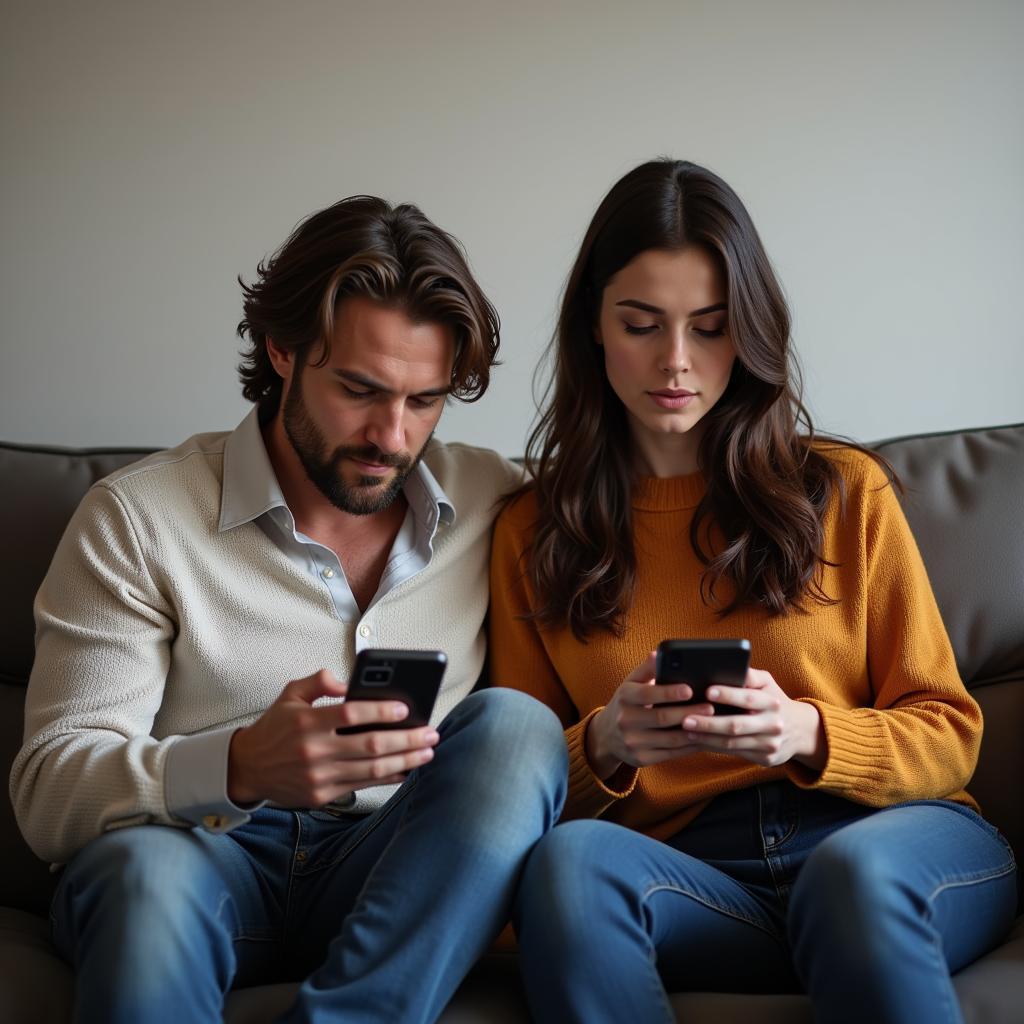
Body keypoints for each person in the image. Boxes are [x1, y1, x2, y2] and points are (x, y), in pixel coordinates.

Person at [10, 195, 567, 1024]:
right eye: (359, 389)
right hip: (198, 859)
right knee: (144, 875)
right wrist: (236, 766)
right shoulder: (138, 518)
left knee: (517, 729)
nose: (392, 435)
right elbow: (49, 790)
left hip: (396, 873)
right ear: (281, 349)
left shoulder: (499, 500)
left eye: (425, 400)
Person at [489, 159, 1017, 1023]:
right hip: (696, 879)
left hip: (887, 843)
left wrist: (806, 732)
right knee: (570, 865)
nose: (676, 361)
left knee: (852, 880)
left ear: (752, 331)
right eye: (641, 324)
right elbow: (514, 794)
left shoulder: (847, 492)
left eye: (710, 327)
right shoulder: (530, 533)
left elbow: (950, 736)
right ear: (594, 325)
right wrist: (609, 744)